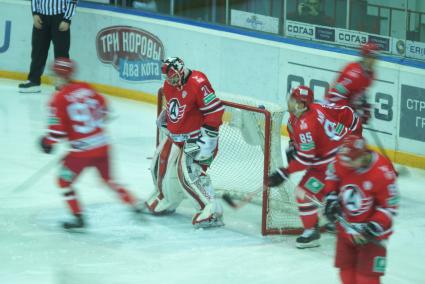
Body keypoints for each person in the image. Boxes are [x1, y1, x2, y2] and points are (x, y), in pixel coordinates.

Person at [39, 57, 140, 230]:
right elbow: (106, 112)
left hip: (81, 154)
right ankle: (134, 203)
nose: (52, 78)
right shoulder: (87, 88)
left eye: (55, 75)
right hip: (103, 146)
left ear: (60, 76)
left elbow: (56, 133)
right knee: (109, 180)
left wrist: (46, 143)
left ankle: (78, 217)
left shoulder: (58, 99)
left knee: (64, 181)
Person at [267, 86, 361, 248]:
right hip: (332, 158)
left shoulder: (306, 124)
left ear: (301, 105)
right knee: (315, 193)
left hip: (332, 162)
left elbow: (305, 159)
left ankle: (325, 227)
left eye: (293, 99)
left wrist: (284, 173)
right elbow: (342, 125)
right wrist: (292, 147)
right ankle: (332, 217)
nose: (289, 101)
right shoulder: (304, 114)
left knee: (305, 193)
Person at [144, 57, 225, 229]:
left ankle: (211, 210)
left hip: (197, 138)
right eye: (168, 78)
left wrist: (208, 141)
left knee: (189, 173)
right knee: (158, 165)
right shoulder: (169, 85)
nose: (170, 81)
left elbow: (216, 111)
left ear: (181, 70)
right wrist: (167, 117)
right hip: (177, 137)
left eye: (173, 77)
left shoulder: (198, 82)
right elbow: (177, 106)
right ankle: (166, 197)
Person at [323, 135, 399, 284]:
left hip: (371, 237)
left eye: (352, 160)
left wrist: (374, 225)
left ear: (363, 155)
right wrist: (331, 197)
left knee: (366, 280)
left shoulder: (383, 172)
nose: (347, 164)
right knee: (346, 273)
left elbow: (390, 208)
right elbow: (332, 174)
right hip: (345, 230)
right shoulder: (344, 158)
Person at [19, 0, 78, 93]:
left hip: (60, 17)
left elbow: (72, 1)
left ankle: (62, 84)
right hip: (41, 16)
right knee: (38, 51)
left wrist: (67, 19)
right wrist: (35, 13)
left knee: (61, 52)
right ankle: (34, 81)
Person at [325, 42, 379, 125]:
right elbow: (335, 95)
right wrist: (350, 111)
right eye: (370, 57)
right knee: (339, 135)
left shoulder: (371, 74)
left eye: (374, 57)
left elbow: (359, 92)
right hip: (332, 108)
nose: (373, 60)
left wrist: (364, 106)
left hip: (345, 108)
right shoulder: (352, 72)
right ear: (364, 56)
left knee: (351, 133)